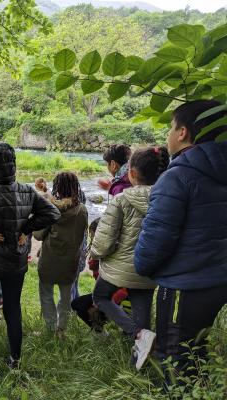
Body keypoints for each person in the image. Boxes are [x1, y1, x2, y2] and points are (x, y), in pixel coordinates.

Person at [134, 100, 227, 380]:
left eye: (171, 128)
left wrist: (142, 266)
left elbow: (156, 238)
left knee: (175, 358)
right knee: (198, 353)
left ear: (183, 132)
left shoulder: (177, 177)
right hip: (219, 279)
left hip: (183, 283)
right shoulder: (220, 172)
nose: (169, 135)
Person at [0, 142, 61, 372]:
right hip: (16, 262)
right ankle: (15, 361)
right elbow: (53, 212)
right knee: (12, 310)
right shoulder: (27, 190)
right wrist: (26, 228)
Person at [92, 146, 170, 371]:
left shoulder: (121, 199)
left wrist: (96, 254)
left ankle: (138, 334)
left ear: (132, 174)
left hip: (120, 267)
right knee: (142, 313)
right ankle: (138, 368)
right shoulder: (166, 200)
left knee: (100, 295)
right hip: (150, 269)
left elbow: (105, 239)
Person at [34, 172, 88, 336]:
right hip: (70, 261)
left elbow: (37, 235)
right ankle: (61, 329)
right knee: (65, 296)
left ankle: (50, 327)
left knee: (46, 293)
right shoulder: (82, 210)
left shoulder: (50, 209)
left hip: (49, 259)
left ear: (56, 187)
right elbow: (81, 236)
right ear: (75, 187)